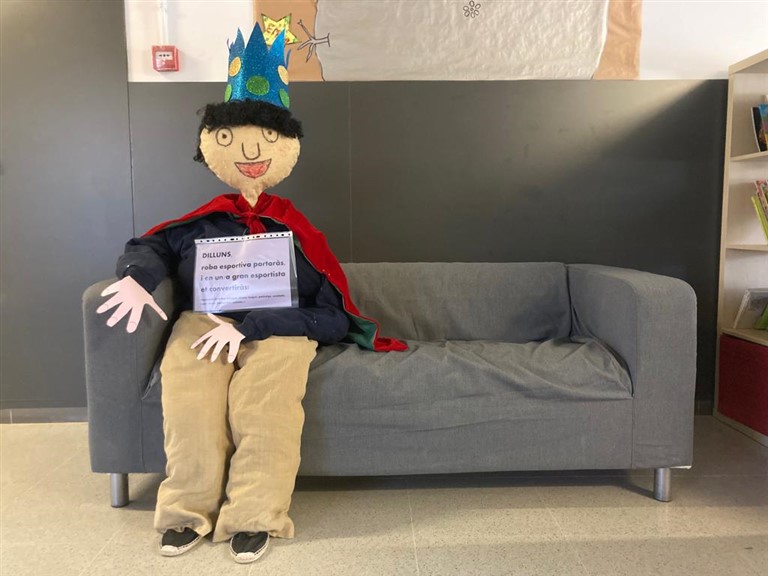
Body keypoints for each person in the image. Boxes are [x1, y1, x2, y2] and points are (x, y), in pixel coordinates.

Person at [97, 25, 405, 564]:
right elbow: (151, 246)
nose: (252, 151)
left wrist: (258, 326)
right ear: (210, 144)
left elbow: (331, 316)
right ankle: (186, 512)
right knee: (190, 400)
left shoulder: (298, 235)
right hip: (205, 321)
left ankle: (255, 515)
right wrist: (134, 276)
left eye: (266, 138)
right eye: (233, 138)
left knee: (267, 408)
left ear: (286, 147)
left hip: (278, 326)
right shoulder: (200, 224)